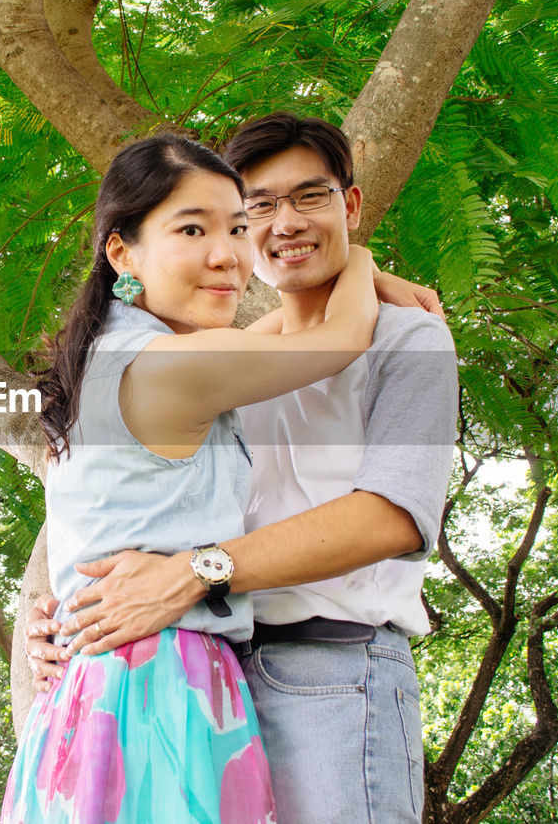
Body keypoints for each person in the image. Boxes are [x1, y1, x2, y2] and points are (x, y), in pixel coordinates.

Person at [26, 113, 458, 823]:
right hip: (199, 671)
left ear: (349, 206)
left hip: (331, 673)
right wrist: (66, 617)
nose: (279, 224)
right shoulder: (215, 356)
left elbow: (392, 515)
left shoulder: (410, 338)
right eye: (255, 208)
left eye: (309, 198)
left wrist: (192, 572)